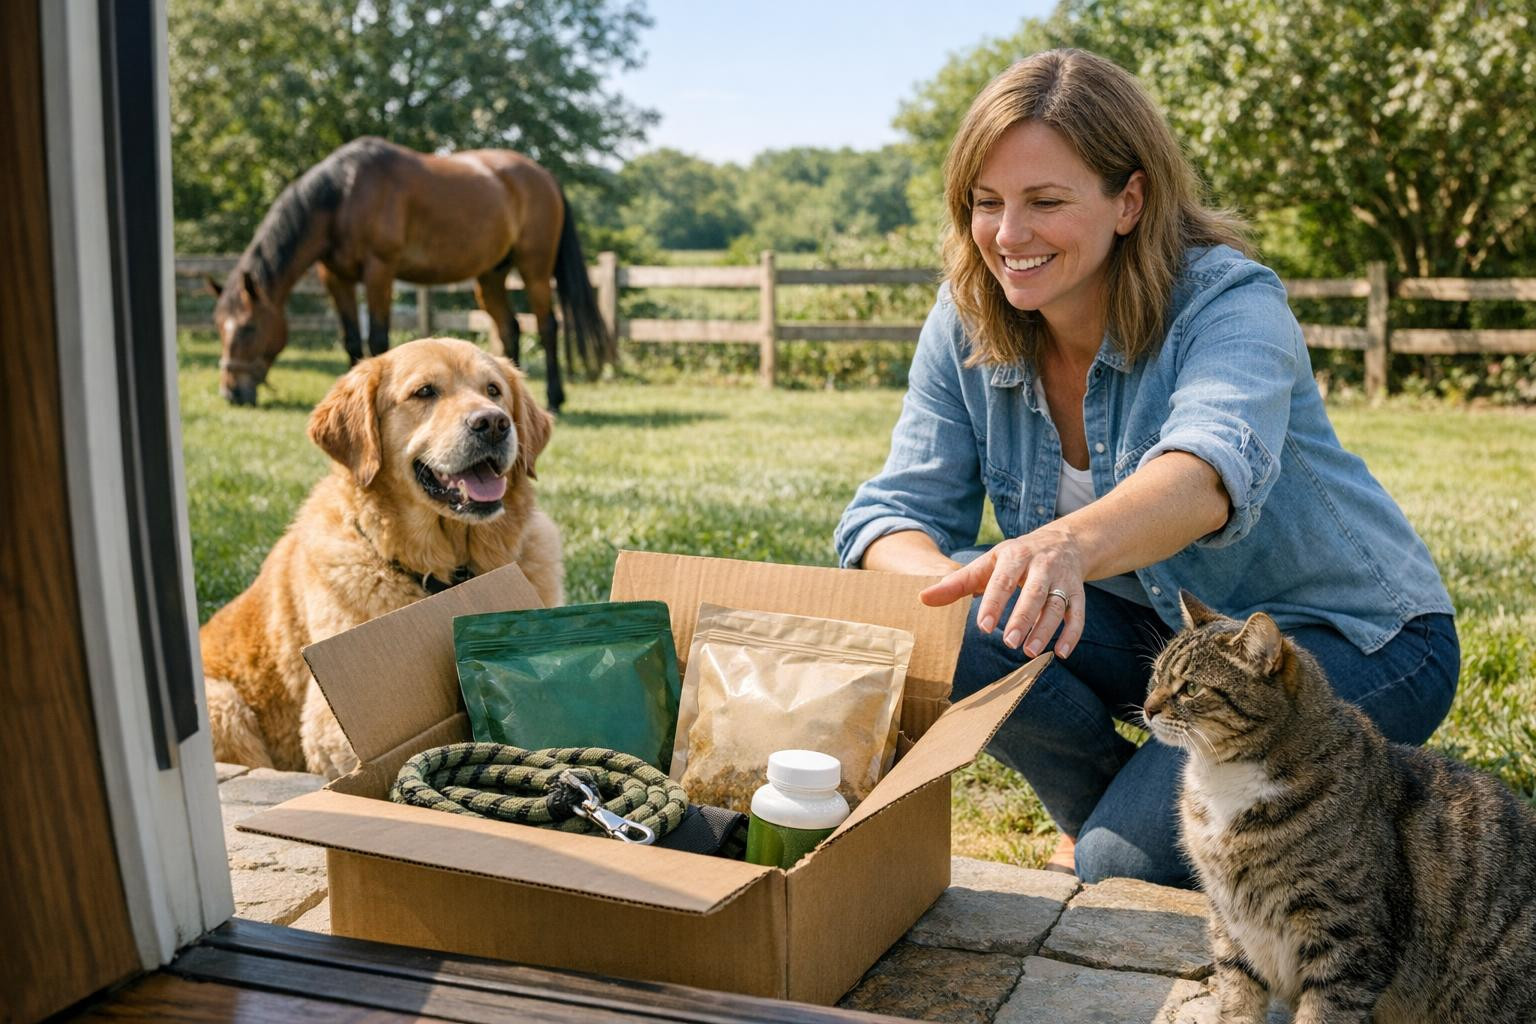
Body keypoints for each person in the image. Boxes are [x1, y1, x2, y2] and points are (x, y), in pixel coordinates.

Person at [834, 48, 1459, 887]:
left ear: (1129, 200)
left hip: (1346, 641)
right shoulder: (966, 317)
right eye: (987, 203)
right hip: (1168, 641)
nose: (1008, 236)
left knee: (1114, 868)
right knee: (949, 621)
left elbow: (1204, 474)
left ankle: (1120, 829)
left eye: (1045, 201)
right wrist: (943, 603)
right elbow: (890, 516)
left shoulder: (1228, 301)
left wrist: (1063, 544)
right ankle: (1106, 800)